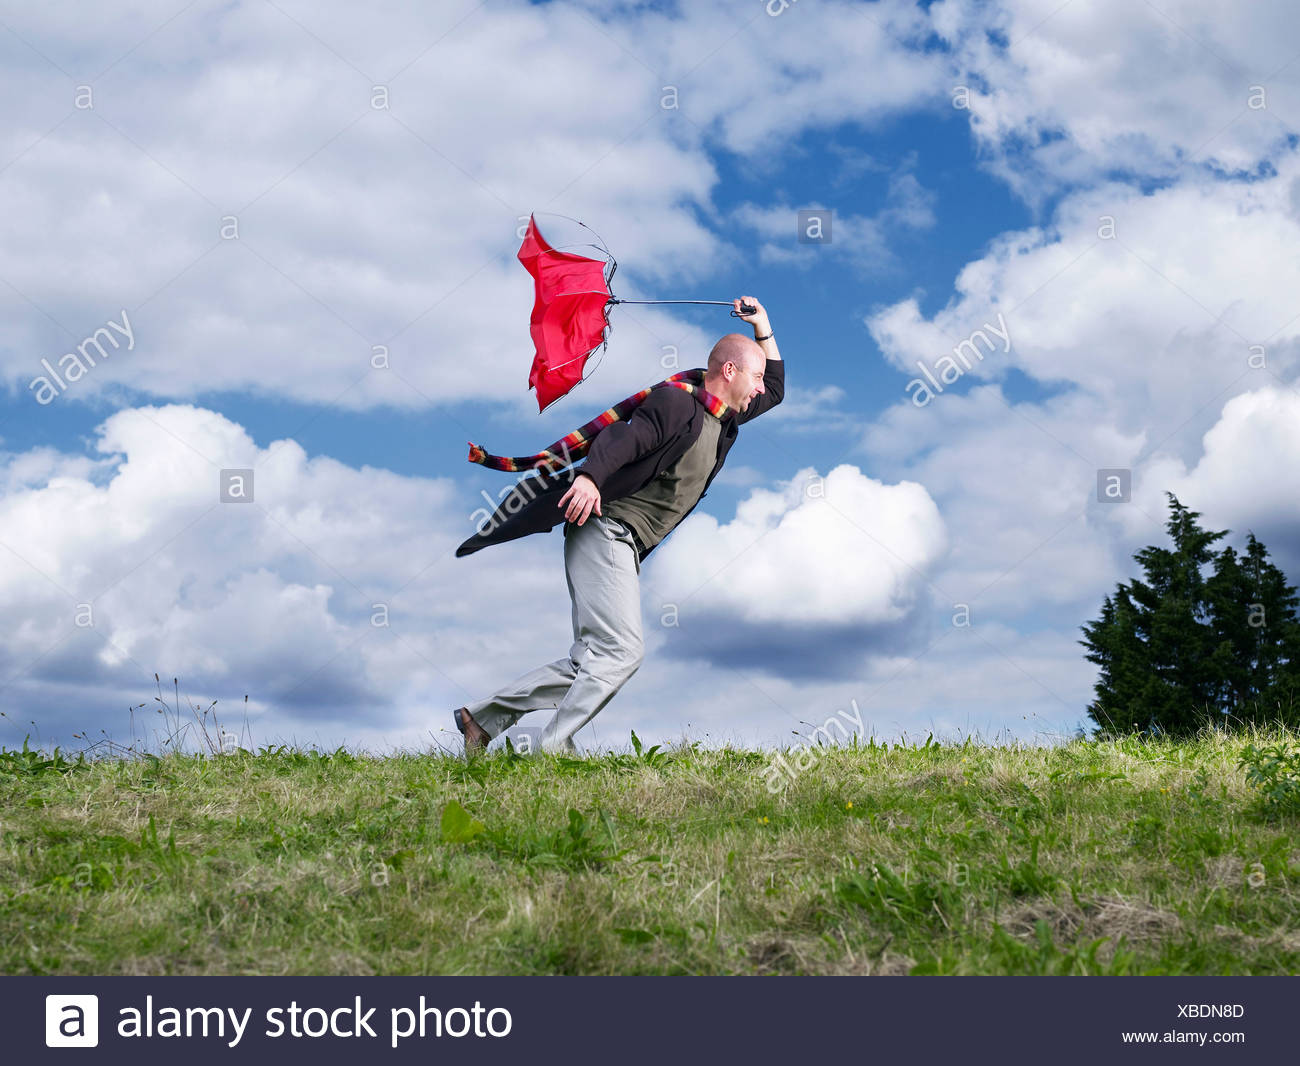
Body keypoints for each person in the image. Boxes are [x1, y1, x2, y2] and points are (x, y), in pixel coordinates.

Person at [453, 297, 784, 755]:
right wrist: (589, 477)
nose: (760, 389)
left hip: (622, 543)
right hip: (605, 529)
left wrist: (762, 325)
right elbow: (622, 438)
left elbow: (779, 389)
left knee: (593, 660)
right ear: (729, 371)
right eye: (754, 377)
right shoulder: (676, 404)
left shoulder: (724, 419)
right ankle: (552, 748)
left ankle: (481, 718)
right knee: (622, 652)